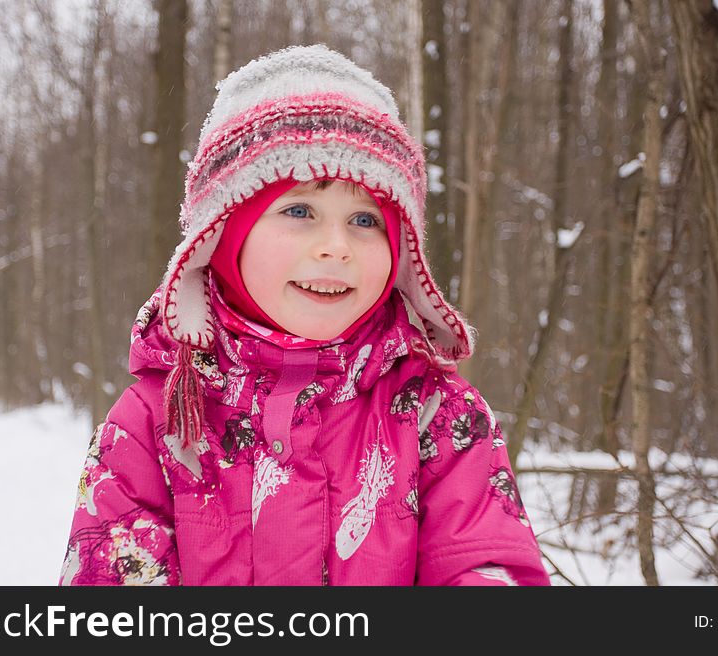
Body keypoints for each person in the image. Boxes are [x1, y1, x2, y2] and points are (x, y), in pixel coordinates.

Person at [60, 44, 550, 586]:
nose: (336, 247)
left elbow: (483, 567)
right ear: (222, 235)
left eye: (366, 220)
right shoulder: (157, 426)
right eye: (300, 211)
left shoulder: (438, 415)